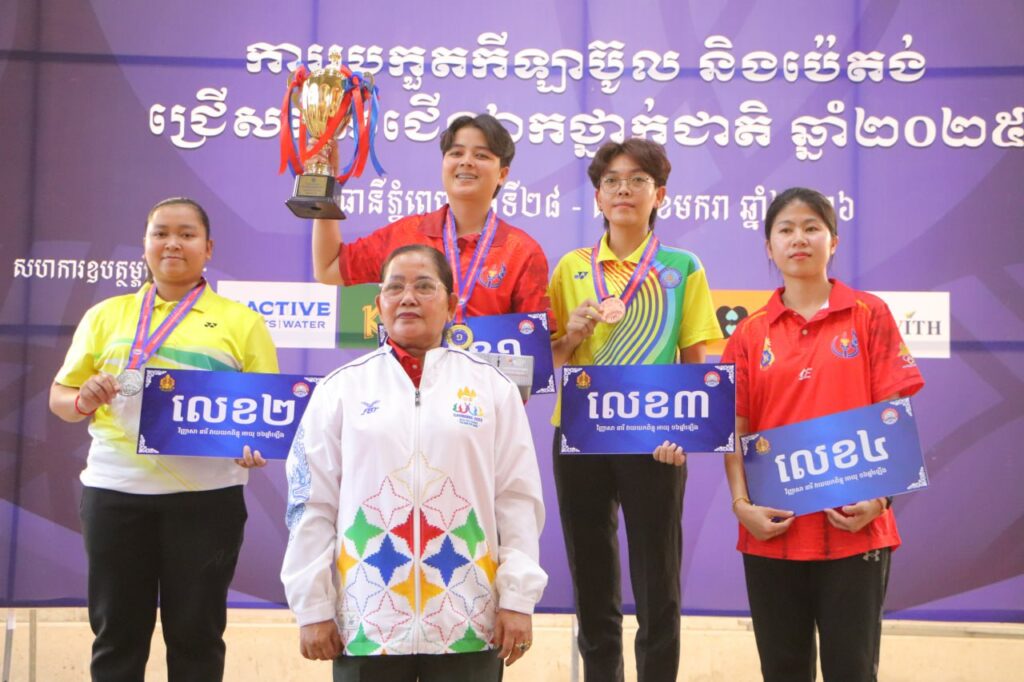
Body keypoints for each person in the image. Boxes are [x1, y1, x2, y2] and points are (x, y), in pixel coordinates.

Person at [281, 244, 547, 682]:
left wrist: (518, 599)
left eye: (424, 286)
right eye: (395, 288)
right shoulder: (340, 389)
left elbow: (517, 500)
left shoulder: (492, 388)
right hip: (368, 621)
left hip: (468, 620)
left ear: (452, 304)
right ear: (379, 304)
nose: (408, 297)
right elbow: (311, 504)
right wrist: (312, 606)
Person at [49, 197, 279, 681]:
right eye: (161, 233)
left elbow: (265, 412)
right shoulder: (105, 315)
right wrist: (83, 398)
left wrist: (254, 444)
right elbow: (61, 397)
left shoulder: (242, 322)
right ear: (145, 245)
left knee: (197, 637)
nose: (173, 243)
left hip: (207, 500)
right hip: (115, 493)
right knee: (117, 635)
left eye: (187, 234)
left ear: (208, 248)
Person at [719, 187, 925, 682]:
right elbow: (734, 430)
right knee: (783, 671)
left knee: (852, 670)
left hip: (857, 532)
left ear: (833, 241)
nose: (799, 238)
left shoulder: (869, 314)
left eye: (812, 227)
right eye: (785, 229)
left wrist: (880, 500)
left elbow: (894, 415)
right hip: (772, 532)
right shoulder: (749, 333)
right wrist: (742, 505)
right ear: (769, 247)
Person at [548, 138, 722, 682]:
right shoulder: (571, 267)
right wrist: (571, 334)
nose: (624, 190)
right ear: (598, 197)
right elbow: (551, 359)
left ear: (659, 195)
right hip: (580, 434)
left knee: (657, 577)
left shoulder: (682, 266)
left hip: (656, 437)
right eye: (612, 181)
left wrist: (686, 434)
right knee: (591, 573)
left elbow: (694, 359)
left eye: (638, 180)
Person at [310, 113, 553, 325]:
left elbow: (533, 341)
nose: (466, 161)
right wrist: (325, 181)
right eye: (456, 153)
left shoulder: (522, 252)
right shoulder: (406, 234)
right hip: (414, 367)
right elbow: (328, 268)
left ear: (502, 174)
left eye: (481, 155)